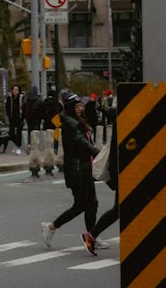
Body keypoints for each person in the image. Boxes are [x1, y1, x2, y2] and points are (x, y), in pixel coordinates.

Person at [42, 91, 98, 252]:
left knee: (92, 203)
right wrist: (96, 152)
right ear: (70, 107)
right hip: (77, 169)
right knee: (81, 204)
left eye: (80, 105)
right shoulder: (68, 123)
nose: (80, 108)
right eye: (77, 106)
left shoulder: (76, 121)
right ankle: (52, 227)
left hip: (85, 167)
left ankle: (93, 235)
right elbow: (80, 142)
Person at [88, 114, 120, 253]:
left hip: (126, 171)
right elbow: (114, 152)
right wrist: (114, 176)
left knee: (118, 210)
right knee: (118, 210)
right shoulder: (122, 121)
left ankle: (91, 235)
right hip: (123, 172)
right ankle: (91, 235)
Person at [4, 83, 23, 153]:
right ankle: (15, 144)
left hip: (19, 117)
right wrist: (8, 115)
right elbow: (7, 106)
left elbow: (23, 107)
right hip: (12, 117)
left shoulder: (21, 97)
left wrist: (22, 116)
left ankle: (18, 146)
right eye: (14, 89)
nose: (15, 91)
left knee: (19, 132)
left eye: (16, 90)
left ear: (19, 91)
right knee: (11, 132)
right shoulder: (9, 97)